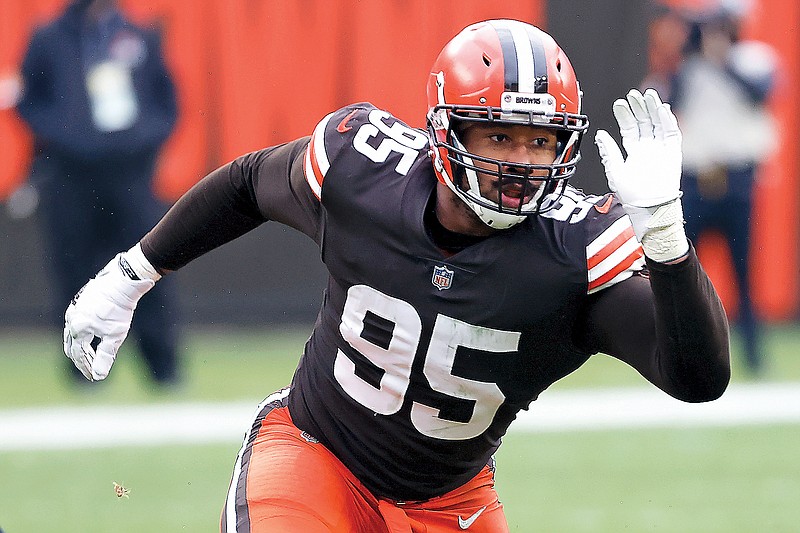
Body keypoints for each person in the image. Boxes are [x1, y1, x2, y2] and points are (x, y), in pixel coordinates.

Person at [63, 19, 730, 532]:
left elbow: (698, 379)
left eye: (540, 139)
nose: (521, 160)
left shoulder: (573, 250)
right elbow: (246, 184)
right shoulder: (363, 171)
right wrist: (130, 274)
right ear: (445, 132)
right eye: (497, 136)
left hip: (452, 498)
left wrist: (668, 242)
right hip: (315, 452)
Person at [16, 0, 181, 386]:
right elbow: (29, 100)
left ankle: (163, 368)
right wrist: (68, 137)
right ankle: (83, 371)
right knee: (75, 271)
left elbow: (167, 101)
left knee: (149, 267)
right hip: (70, 177)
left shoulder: (135, 34)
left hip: (129, 176)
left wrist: (139, 141)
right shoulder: (49, 38)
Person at [664, 0, 777, 375]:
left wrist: (722, 58)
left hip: (737, 179)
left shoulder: (753, 58)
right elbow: (672, 101)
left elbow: (761, 93)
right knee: (681, 271)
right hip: (695, 179)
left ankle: (754, 358)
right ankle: (673, 352)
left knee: (744, 273)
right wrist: (691, 52)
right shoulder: (689, 67)